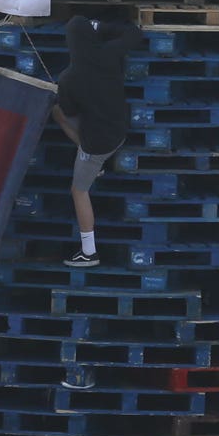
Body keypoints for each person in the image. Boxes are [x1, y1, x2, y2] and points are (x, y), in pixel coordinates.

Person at [52, 15, 144, 266]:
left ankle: (89, 252)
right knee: (69, 119)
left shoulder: (68, 78)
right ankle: (95, 164)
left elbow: (69, 112)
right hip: (119, 128)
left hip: (97, 143)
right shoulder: (108, 53)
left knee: (78, 190)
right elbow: (135, 33)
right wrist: (103, 25)